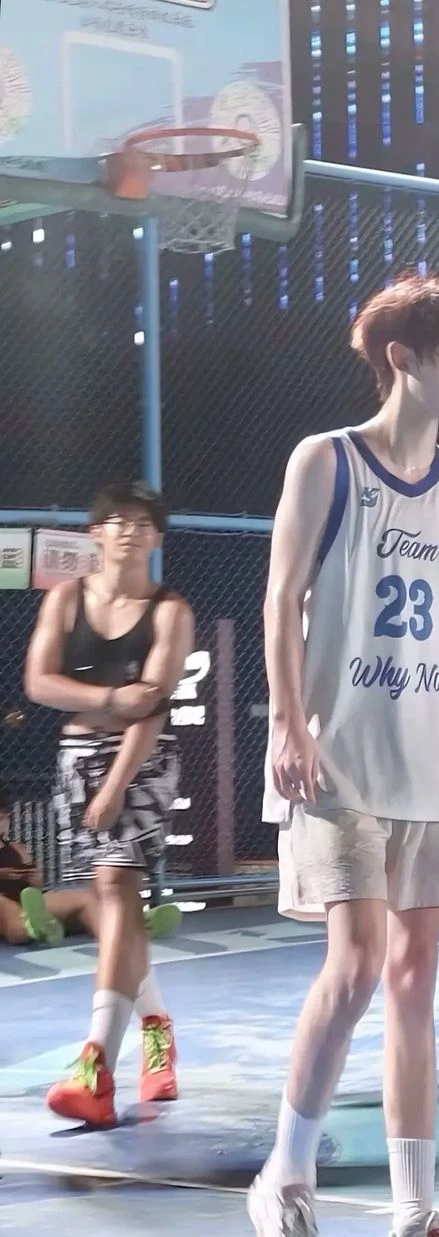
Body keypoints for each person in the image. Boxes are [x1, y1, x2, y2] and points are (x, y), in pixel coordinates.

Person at [248, 273, 439, 1237]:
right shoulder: (326, 461)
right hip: (336, 758)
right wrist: (286, 721)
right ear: (399, 359)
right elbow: (281, 595)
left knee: (415, 980)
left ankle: (413, 1223)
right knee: (358, 964)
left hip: (433, 761)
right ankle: (285, 1179)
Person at [24, 481, 194, 1127]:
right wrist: (107, 699)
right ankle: (156, 1026)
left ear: (157, 538)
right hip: (75, 755)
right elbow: (39, 682)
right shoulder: (67, 599)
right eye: (117, 520)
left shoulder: (170, 611)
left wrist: (117, 782)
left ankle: (96, 1063)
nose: (129, 529)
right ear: (96, 533)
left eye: (142, 522)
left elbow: (152, 706)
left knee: (117, 886)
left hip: (140, 760)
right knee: (109, 901)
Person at [0, 798, 182, 948]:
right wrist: (4, 875)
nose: (3, 823)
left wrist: (34, 878)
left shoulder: (17, 847)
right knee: (9, 915)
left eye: (5, 818)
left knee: (86, 899)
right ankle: (33, 928)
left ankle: (131, 928)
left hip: (30, 899)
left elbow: (36, 885)